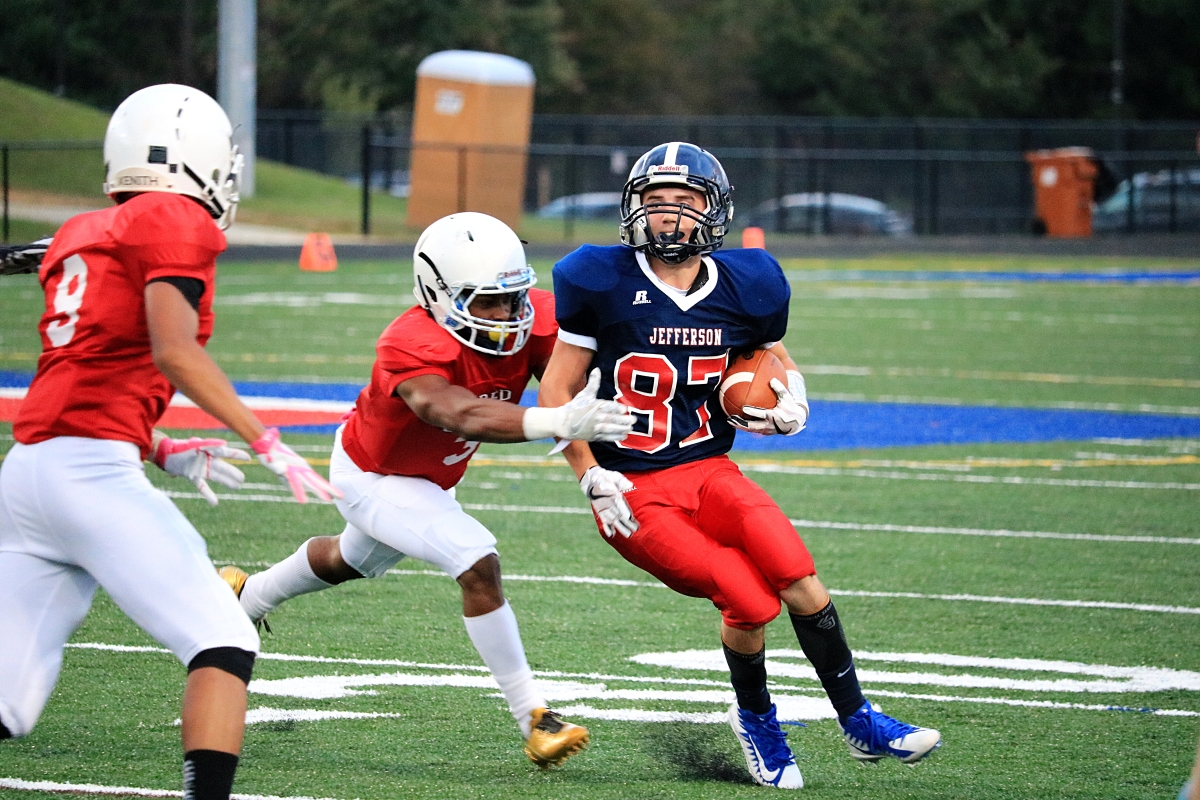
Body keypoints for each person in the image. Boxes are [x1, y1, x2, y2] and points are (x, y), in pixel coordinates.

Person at [537, 142, 942, 789]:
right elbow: (556, 391)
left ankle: (859, 721)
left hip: (708, 468)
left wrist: (792, 396)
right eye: (655, 201)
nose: (669, 215)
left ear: (714, 209)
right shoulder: (598, 278)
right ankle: (756, 719)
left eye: (686, 200)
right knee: (749, 601)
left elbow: (770, 357)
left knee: (796, 571)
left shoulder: (748, 283)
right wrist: (587, 475)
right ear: (633, 207)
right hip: (628, 486)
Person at [0, 84, 339, 800]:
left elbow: (84, 373)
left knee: (9, 705)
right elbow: (173, 350)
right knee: (226, 638)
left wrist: (160, 447)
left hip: (30, 473)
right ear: (197, 159)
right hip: (89, 477)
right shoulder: (171, 219)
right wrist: (265, 439)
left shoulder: (80, 234)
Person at [220, 211, 634, 769]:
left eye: (512, 298)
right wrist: (552, 422)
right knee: (476, 562)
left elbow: (589, 375)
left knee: (351, 558)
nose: (505, 314)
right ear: (436, 292)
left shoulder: (533, 321)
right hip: (375, 476)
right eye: (486, 301)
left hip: (429, 478)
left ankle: (246, 595)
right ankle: (536, 719)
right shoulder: (409, 341)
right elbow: (456, 412)